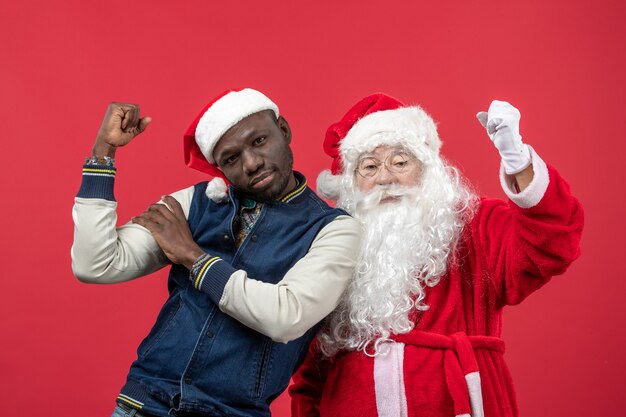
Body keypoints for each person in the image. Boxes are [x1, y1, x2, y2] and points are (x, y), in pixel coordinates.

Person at [71, 88, 362, 417]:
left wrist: (193, 258)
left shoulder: (334, 229)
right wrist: (103, 151)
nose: (251, 163)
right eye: (231, 159)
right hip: (142, 404)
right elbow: (94, 264)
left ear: (283, 131)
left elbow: (287, 316)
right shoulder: (195, 203)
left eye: (258, 141)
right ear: (220, 168)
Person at [289, 93, 584, 417]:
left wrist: (519, 162)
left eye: (400, 162)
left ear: (427, 168)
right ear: (352, 184)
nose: (385, 178)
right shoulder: (332, 252)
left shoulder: (474, 225)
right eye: (369, 167)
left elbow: (552, 243)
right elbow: (308, 380)